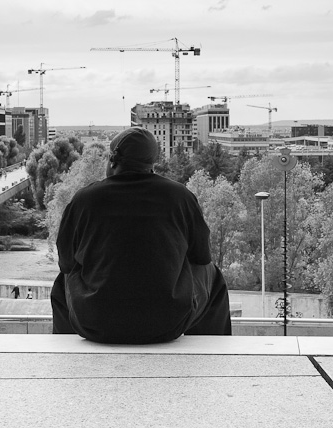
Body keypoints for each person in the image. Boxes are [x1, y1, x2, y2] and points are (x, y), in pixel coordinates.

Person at [51, 127, 232, 344]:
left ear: (112, 160)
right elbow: (202, 257)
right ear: (152, 162)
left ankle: (63, 349)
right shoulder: (180, 197)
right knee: (214, 276)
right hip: (168, 324)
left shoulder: (84, 200)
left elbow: (66, 263)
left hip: (94, 324)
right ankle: (215, 347)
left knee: (63, 281)